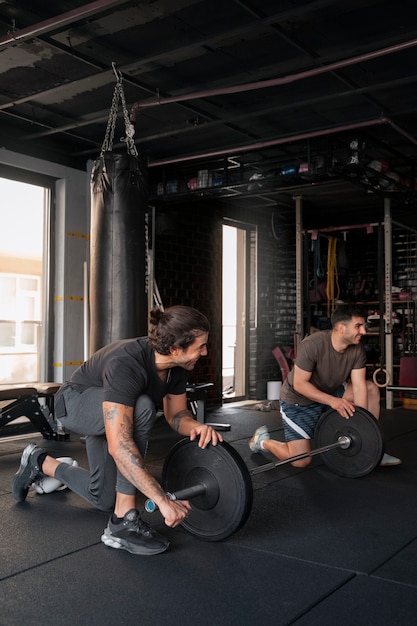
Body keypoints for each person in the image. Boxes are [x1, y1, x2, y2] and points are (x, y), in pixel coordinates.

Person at [12, 305, 222, 556]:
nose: (205, 351)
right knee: (142, 406)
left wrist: (196, 426)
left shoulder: (177, 366)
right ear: (175, 348)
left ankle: (39, 461)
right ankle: (123, 521)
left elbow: (176, 415)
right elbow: (120, 445)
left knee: (103, 498)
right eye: (200, 346)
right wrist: (163, 501)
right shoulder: (127, 363)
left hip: (110, 412)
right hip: (74, 404)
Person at [249, 303, 401, 468]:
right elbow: (299, 385)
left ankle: (371, 448)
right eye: (358, 326)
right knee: (301, 460)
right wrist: (333, 402)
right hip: (299, 401)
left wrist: (362, 427)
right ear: (341, 328)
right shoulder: (312, 345)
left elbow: (359, 387)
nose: (363, 331)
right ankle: (263, 441)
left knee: (371, 388)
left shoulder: (357, 350)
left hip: (330, 391)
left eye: (363, 326)